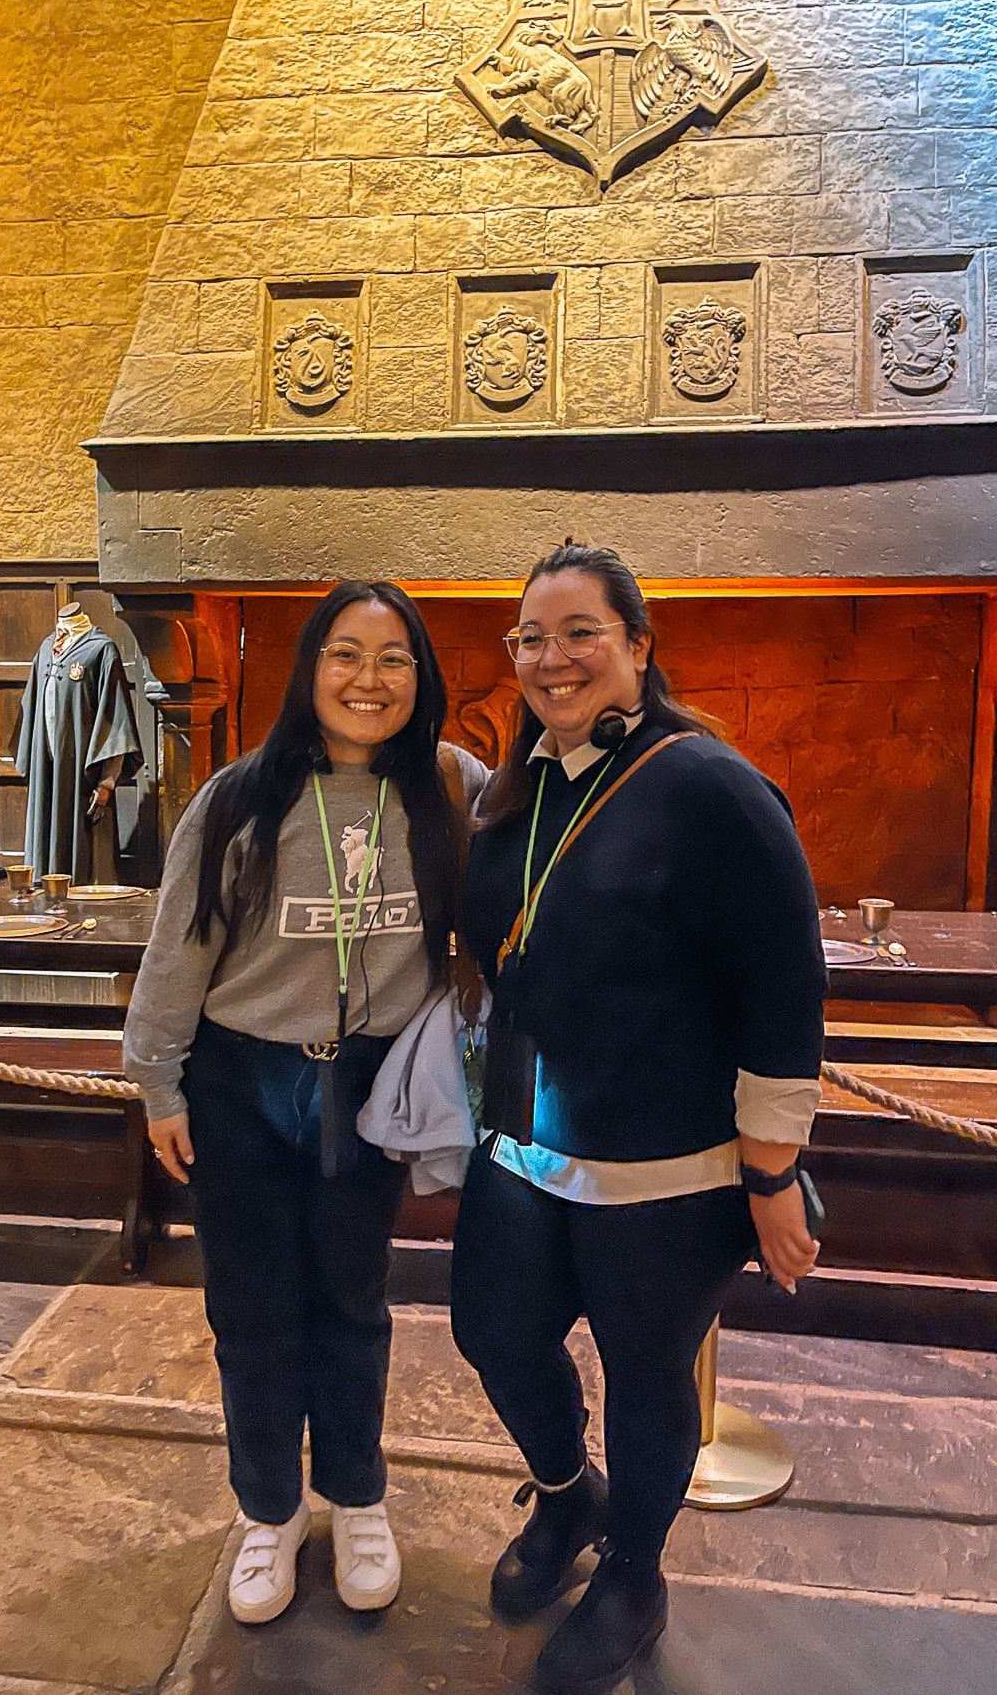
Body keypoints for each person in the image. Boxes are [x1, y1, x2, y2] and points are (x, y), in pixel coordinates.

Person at [451, 545, 826, 1695]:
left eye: (579, 631)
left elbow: (783, 982)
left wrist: (770, 1175)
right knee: (491, 1331)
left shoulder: (706, 783)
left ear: (638, 647)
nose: (550, 656)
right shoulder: (517, 785)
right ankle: (569, 1497)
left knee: (647, 1376)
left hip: (664, 1172)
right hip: (521, 1147)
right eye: (529, 636)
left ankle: (635, 1572)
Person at [124, 581, 484, 1627]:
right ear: (307, 668)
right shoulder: (241, 794)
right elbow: (178, 946)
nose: (368, 679)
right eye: (345, 653)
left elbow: (553, 831)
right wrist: (156, 1080)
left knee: (352, 1296)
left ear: (421, 677)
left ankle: (358, 1495)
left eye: (393, 657)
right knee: (249, 1307)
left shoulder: (454, 785)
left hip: (369, 1087)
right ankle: (269, 1509)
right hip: (240, 1082)